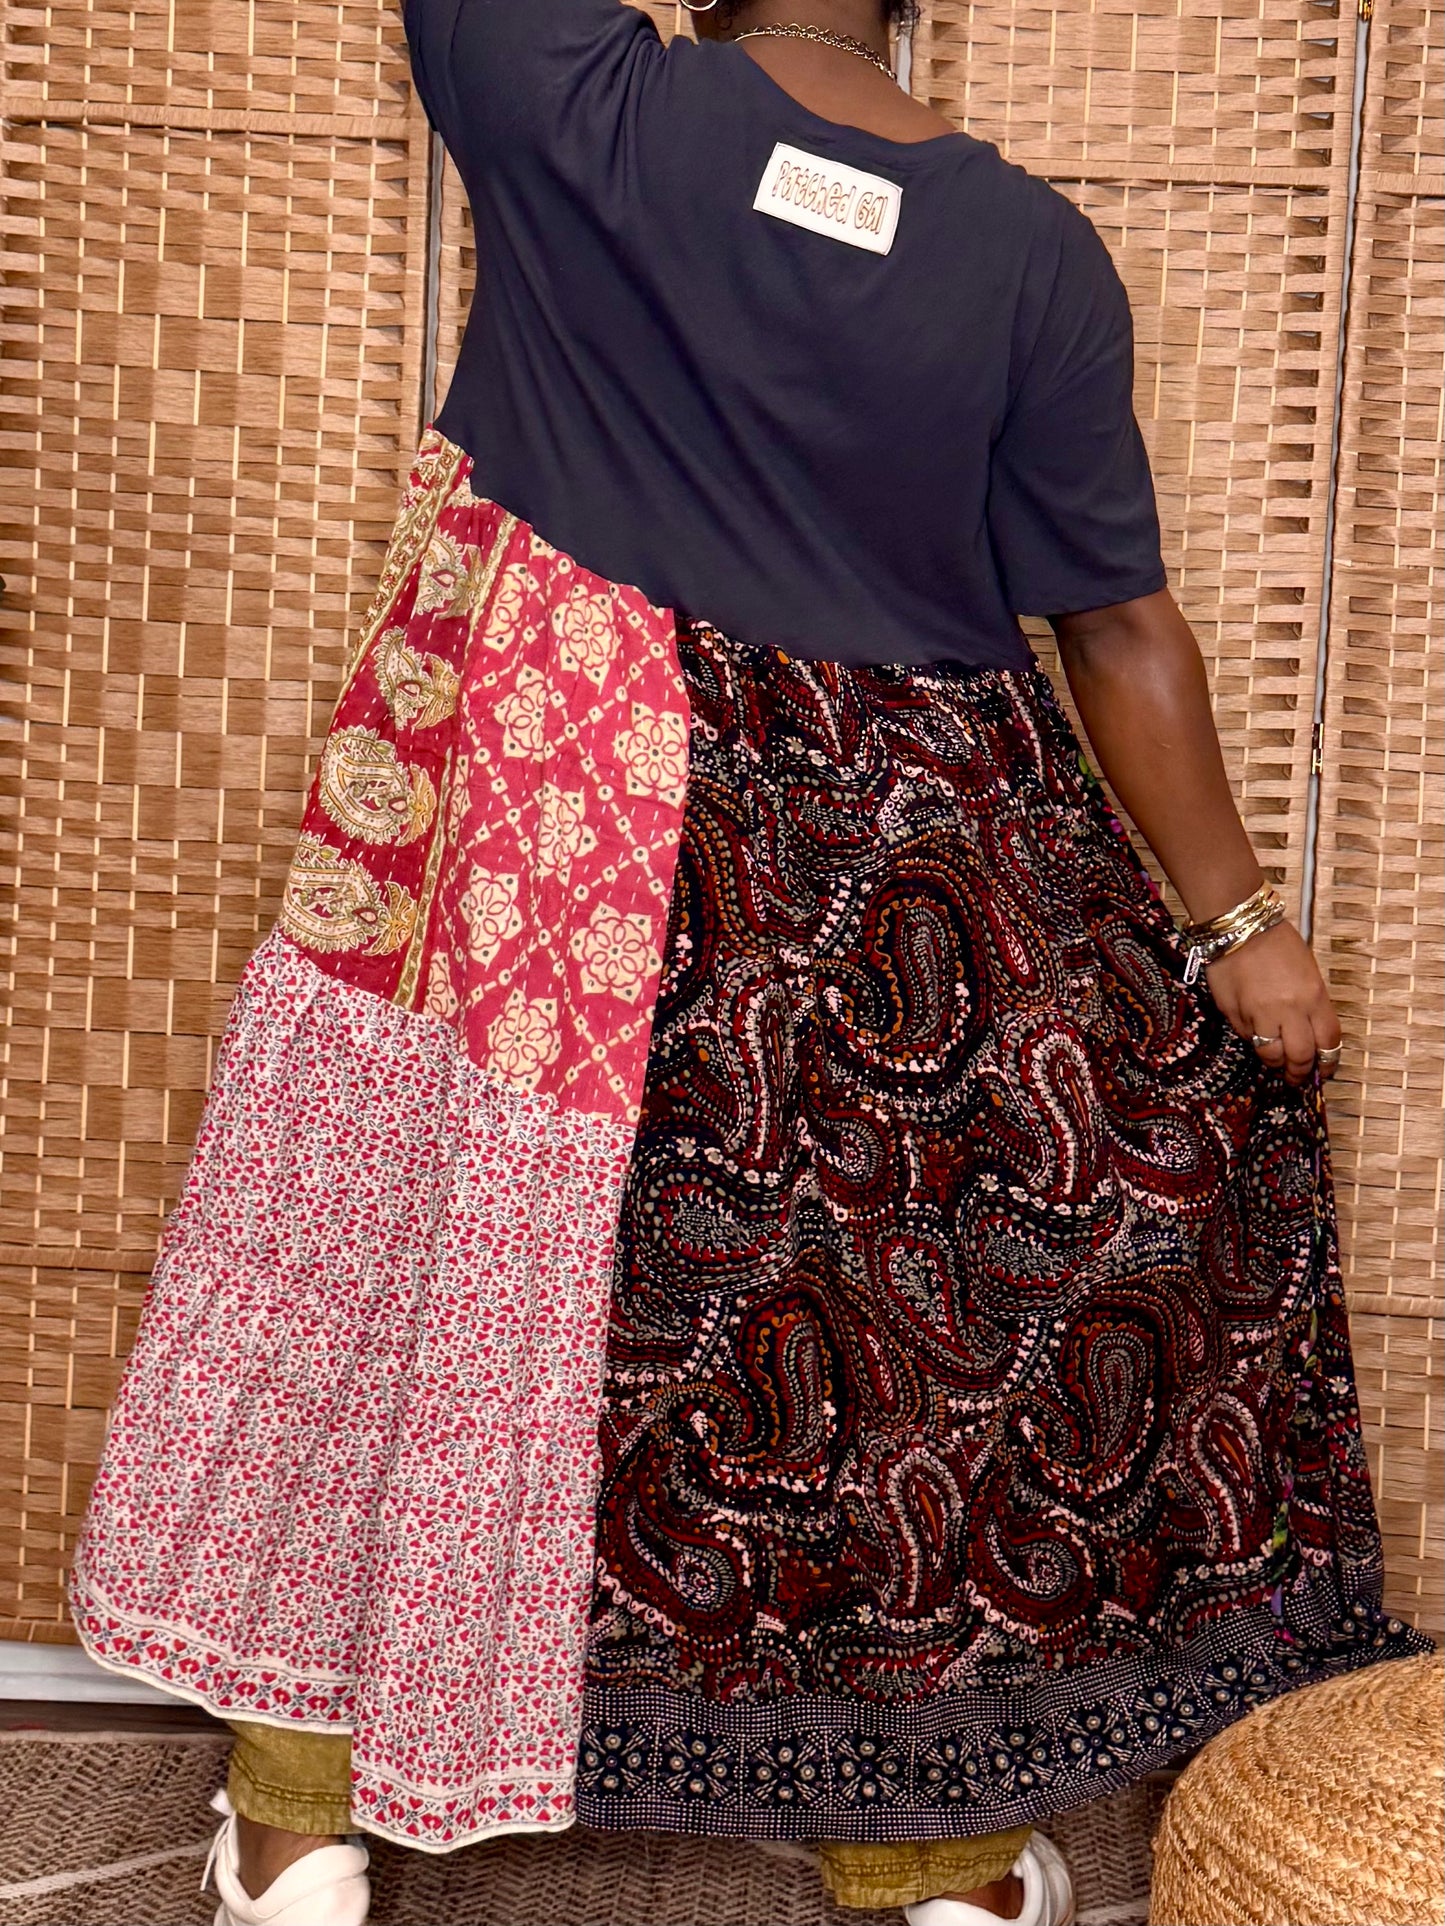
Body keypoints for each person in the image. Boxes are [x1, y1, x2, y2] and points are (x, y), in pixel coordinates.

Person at [70, 4, 1429, 1924]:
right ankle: (939, 1865)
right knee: (895, 1349)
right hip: (900, 886)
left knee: (403, 1276)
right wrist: (1236, 926)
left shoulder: (578, 98)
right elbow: (1119, 630)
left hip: (549, 845)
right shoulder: (1026, 251)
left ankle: (298, 1833)